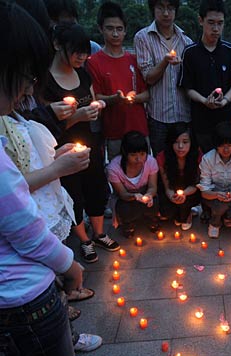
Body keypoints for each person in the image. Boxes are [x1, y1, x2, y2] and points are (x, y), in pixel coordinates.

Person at [0, 2, 91, 356]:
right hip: (23, 294)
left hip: (14, 292)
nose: (27, 89)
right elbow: (23, 228)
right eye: (24, 76)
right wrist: (69, 265)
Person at [43, 22, 120, 263]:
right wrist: (76, 116)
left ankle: (99, 233)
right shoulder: (46, 81)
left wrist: (96, 108)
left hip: (88, 142)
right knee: (73, 193)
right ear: (58, 45)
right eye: (76, 51)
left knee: (96, 187)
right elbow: (43, 125)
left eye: (85, 52)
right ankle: (84, 240)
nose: (82, 57)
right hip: (62, 147)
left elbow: (92, 100)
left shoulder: (83, 73)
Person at [87, 1, 149, 161]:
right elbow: (96, 97)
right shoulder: (94, 62)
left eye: (119, 29)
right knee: (116, 171)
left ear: (125, 31)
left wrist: (134, 98)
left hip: (139, 129)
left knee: (144, 170)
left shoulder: (134, 59)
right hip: (114, 132)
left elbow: (147, 94)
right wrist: (115, 98)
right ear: (101, 29)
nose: (115, 34)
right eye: (110, 28)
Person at [179, 0, 231, 153]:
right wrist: (204, 100)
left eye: (220, 23)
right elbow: (187, 88)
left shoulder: (230, 51)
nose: (216, 29)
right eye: (211, 23)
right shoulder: (190, 52)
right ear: (201, 21)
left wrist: (224, 101)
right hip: (200, 122)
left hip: (225, 122)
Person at [134, 0, 192, 156]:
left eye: (170, 8)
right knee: (160, 160)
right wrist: (165, 61)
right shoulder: (143, 37)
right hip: (158, 116)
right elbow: (149, 78)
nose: (166, 13)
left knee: (183, 161)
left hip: (183, 115)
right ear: (153, 9)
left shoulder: (186, 41)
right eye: (160, 8)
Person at [198, 121, 231, 238]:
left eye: (230, 145)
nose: (226, 150)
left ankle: (226, 215)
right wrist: (216, 195)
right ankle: (215, 222)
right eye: (222, 146)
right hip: (213, 194)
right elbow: (204, 189)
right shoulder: (207, 159)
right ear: (216, 144)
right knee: (220, 205)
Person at [107, 131, 159, 238]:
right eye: (133, 155)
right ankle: (128, 224)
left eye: (142, 154)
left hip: (144, 192)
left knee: (155, 201)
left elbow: (153, 187)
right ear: (125, 153)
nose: (138, 159)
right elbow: (122, 194)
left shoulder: (150, 162)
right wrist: (134, 196)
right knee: (125, 208)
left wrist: (149, 195)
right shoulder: (114, 168)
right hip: (126, 198)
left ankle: (151, 219)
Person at [157, 123, 200, 230]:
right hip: (172, 188)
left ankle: (187, 211)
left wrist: (184, 194)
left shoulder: (198, 155)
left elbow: (195, 185)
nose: (180, 146)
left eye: (185, 142)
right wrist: (172, 196)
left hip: (190, 190)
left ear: (191, 142)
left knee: (183, 214)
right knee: (166, 212)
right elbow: (167, 187)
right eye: (176, 142)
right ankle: (178, 211)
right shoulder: (163, 157)